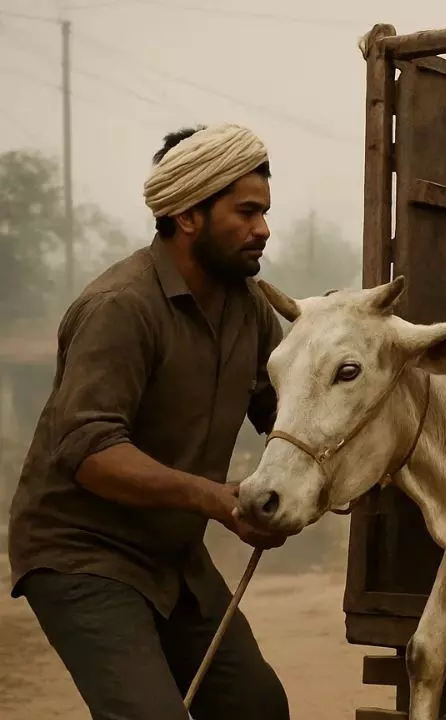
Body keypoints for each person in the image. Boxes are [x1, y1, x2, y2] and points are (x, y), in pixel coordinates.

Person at [7, 124, 292, 720]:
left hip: (174, 554)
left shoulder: (251, 309)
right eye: (245, 212)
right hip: (83, 553)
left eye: (264, 212)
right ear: (188, 215)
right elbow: (89, 450)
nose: (263, 228)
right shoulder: (120, 307)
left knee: (256, 707)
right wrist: (217, 500)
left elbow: (284, 415)